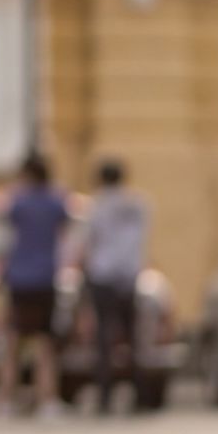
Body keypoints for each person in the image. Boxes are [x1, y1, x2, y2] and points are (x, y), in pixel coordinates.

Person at [0, 151, 73, 418]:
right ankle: (47, 400)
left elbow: (7, 239)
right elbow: (67, 230)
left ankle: (4, 400)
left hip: (18, 278)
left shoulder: (18, 202)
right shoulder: (55, 202)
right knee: (45, 343)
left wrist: (1, 275)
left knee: (13, 341)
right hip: (44, 278)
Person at [78, 157, 151, 415]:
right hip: (129, 275)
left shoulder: (97, 206)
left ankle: (105, 397)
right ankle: (140, 394)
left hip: (103, 275)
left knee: (104, 338)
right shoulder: (137, 204)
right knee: (132, 338)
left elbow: (87, 241)